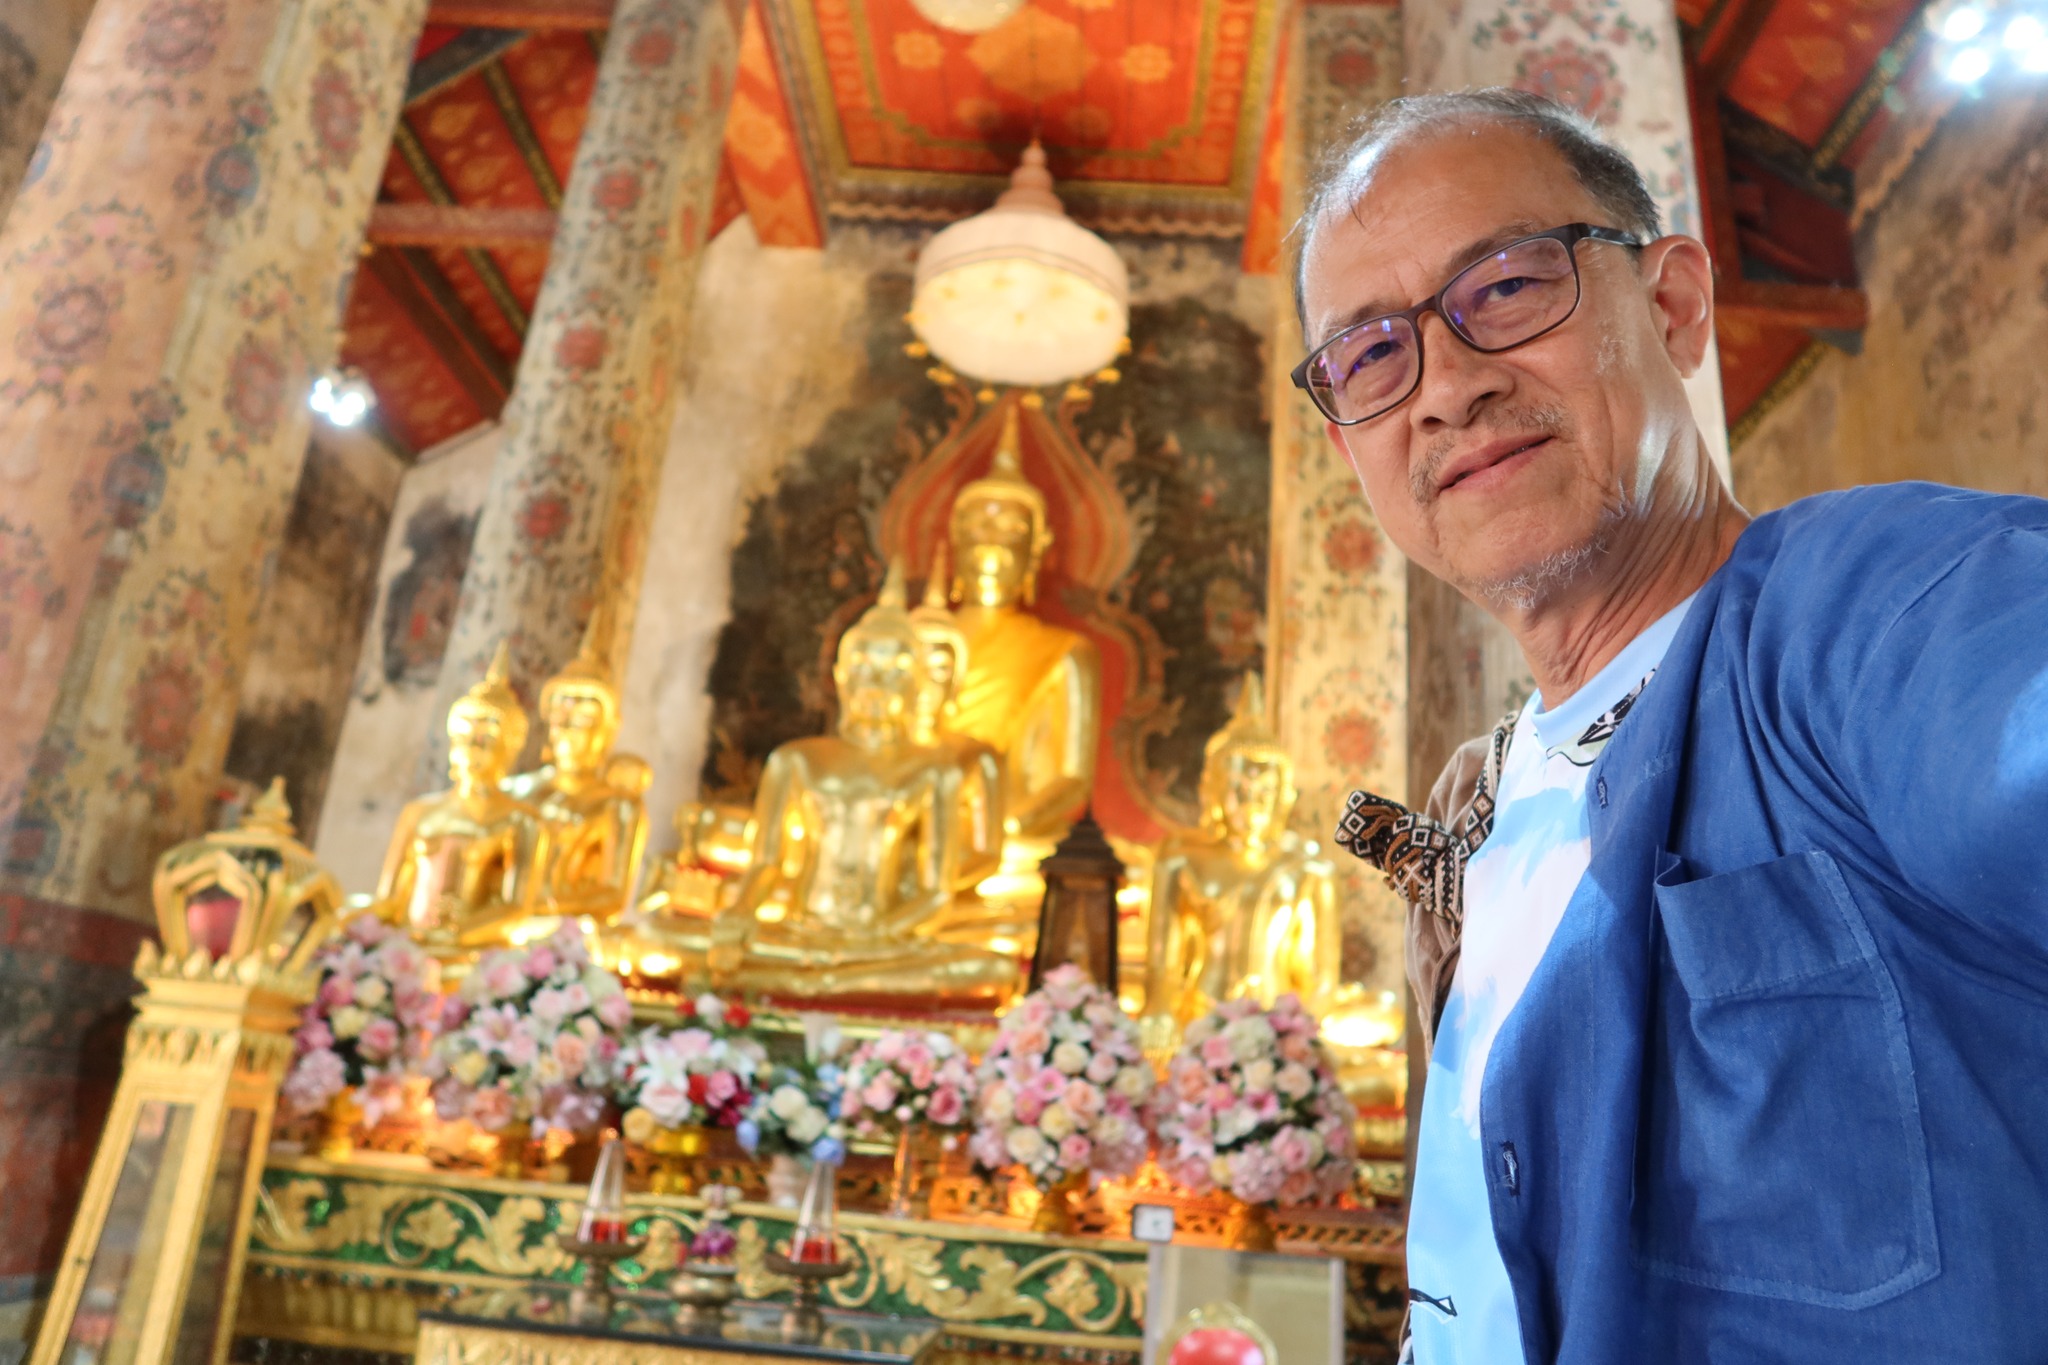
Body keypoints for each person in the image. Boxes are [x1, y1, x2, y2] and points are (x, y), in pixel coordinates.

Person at [1295, 89, 2048, 1363]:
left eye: (1504, 288)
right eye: (1370, 357)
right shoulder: (1474, 802)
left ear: (1671, 306)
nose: (1445, 389)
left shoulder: (1853, 613)